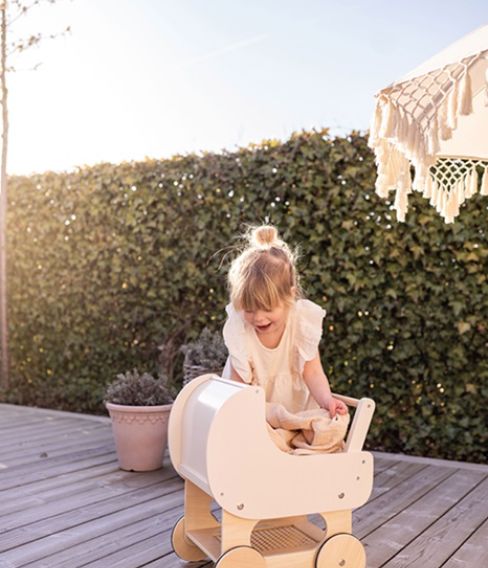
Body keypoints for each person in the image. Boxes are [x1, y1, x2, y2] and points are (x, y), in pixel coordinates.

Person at [222, 224, 348, 418]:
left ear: (289, 296)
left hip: (294, 413)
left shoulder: (301, 324)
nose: (258, 318)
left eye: (267, 309)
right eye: (249, 309)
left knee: (320, 428)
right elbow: (238, 387)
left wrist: (327, 400)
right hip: (254, 414)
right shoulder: (241, 332)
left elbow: (313, 372)